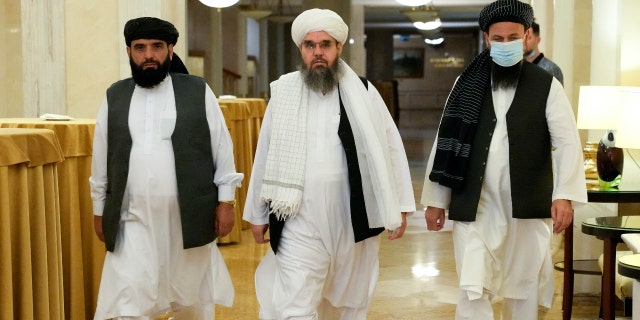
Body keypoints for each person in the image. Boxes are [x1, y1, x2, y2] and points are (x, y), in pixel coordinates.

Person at [243, 8, 416, 320]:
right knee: (296, 305)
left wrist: (399, 203)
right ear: (301, 49)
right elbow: (265, 152)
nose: (318, 52)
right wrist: (256, 212)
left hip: (353, 219)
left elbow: (389, 146)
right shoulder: (283, 92)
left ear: (339, 47)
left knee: (347, 303)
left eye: (326, 44)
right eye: (310, 45)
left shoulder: (364, 91)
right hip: (298, 217)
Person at [421, 1, 587, 319]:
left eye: (513, 37)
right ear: (487, 39)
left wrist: (564, 194)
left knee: (522, 290)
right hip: (475, 205)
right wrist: (436, 200)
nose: (507, 44)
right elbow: (446, 142)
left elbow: (568, 144)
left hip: (525, 209)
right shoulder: (465, 84)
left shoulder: (546, 86)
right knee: (472, 288)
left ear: (526, 36)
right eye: (499, 39)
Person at [89, 17, 243, 320]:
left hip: (187, 218)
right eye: (140, 48)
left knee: (192, 305)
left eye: (157, 47)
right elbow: (101, 156)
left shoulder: (197, 90)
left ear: (171, 50)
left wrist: (226, 201)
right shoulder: (115, 96)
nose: (149, 55)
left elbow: (222, 149)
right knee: (128, 303)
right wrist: (98, 208)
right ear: (129, 52)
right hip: (132, 219)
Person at [524, 19, 564, 85]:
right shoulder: (518, 67)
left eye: (529, 38)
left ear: (538, 40)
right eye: (523, 37)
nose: (525, 41)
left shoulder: (551, 69)